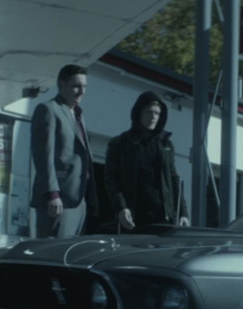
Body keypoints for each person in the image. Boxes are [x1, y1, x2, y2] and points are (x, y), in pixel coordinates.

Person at [30, 64, 98, 238]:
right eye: (76, 86)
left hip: (78, 200)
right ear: (61, 85)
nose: (81, 91)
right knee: (52, 255)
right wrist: (52, 193)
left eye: (84, 86)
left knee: (71, 256)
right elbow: (43, 157)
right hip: (58, 199)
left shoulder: (79, 115)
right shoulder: (48, 110)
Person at [105, 91, 189, 231]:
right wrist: (121, 208)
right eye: (149, 112)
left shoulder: (165, 144)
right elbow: (112, 180)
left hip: (163, 218)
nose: (153, 117)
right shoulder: (120, 144)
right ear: (139, 113)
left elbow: (174, 179)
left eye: (157, 113)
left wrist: (183, 213)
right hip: (133, 217)